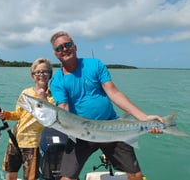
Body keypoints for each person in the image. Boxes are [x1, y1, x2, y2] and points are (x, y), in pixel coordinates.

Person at [49, 31, 163, 180]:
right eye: (59, 48)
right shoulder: (57, 81)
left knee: (136, 175)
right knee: (67, 178)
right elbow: (63, 108)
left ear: (75, 46)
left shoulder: (95, 65)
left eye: (67, 44)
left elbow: (114, 93)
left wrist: (144, 117)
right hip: (80, 133)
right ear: (55, 54)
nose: (64, 49)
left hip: (111, 126)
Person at [0, 58, 54, 180]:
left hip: (33, 143)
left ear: (50, 74)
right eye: (37, 72)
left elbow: (49, 119)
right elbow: (18, 114)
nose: (41, 75)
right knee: (10, 174)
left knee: (30, 177)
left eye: (44, 71)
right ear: (33, 76)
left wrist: (44, 98)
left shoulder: (54, 96)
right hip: (15, 139)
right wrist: (5, 115)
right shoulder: (26, 92)